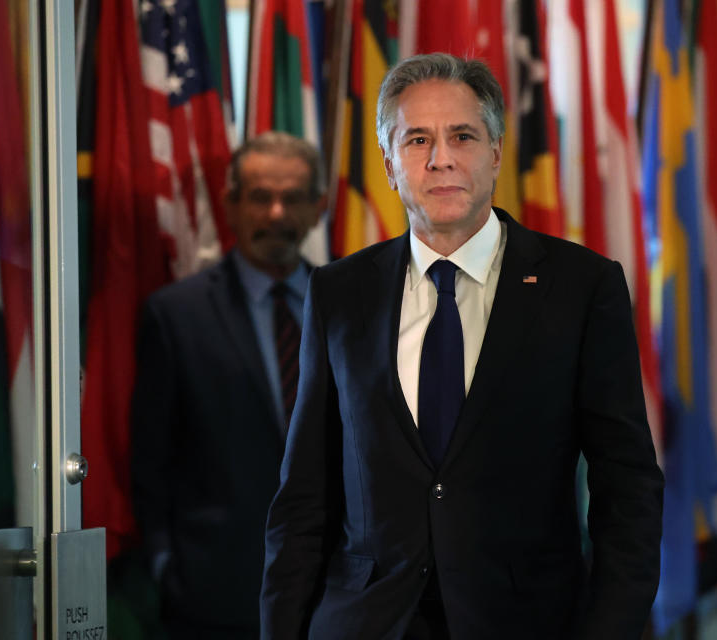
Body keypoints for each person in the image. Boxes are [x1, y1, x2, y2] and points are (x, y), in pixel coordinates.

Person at [260, 53, 663, 639]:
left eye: (462, 136)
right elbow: (303, 500)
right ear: (390, 164)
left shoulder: (581, 288)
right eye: (417, 139)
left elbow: (627, 489)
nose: (440, 158)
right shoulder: (338, 293)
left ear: (495, 152)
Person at [131, 131, 326, 638]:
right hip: (211, 598)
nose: (277, 215)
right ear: (232, 205)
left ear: (318, 207)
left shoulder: (356, 308)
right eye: (260, 197)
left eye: (293, 198)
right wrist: (163, 564)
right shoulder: (176, 316)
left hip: (337, 596)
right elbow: (149, 460)